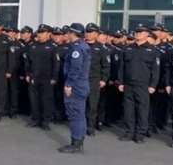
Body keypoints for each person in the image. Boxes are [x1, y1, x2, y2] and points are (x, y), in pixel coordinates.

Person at [118, 24, 160, 144]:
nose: (138, 34)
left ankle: (140, 133)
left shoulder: (152, 50)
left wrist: (153, 85)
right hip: (128, 84)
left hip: (143, 85)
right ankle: (129, 132)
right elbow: (122, 67)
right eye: (137, 32)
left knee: (142, 110)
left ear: (147, 34)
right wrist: (120, 82)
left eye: (141, 32)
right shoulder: (128, 49)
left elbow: (155, 70)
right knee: (128, 109)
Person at [59, 23, 91, 154]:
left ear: (73, 33)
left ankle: (76, 143)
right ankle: (79, 140)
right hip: (81, 84)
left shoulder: (77, 48)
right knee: (80, 114)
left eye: (68, 32)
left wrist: (69, 84)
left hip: (76, 85)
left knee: (75, 114)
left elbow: (75, 68)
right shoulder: (83, 45)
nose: (67, 34)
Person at [24, 24, 59, 130]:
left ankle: (45, 121)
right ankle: (35, 119)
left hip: (47, 79)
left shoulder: (53, 46)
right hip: (34, 77)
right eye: (39, 32)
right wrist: (28, 74)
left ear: (48, 34)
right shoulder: (33, 46)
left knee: (46, 100)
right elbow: (28, 62)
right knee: (34, 100)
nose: (40, 34)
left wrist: (54, 77)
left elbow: (56, 64)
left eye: (43, 32)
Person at [84, 23, 110, 136]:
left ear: (96, 34)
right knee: (80, 104)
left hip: (94, 80)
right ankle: (81, 125)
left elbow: (106, 65)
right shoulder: (80, 45)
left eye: (91, 32)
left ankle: (90, 127)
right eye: (87, 31)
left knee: (92, 105)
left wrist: (104, 79)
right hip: (80, 80)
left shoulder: (101, 48)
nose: (88, 34)